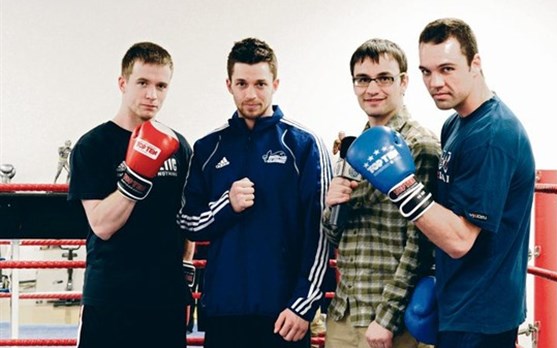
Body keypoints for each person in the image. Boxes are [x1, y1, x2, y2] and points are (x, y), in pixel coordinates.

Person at [346, 19, 535, 348]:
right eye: (426, 71)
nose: (435, 82)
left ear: (475, 64)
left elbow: (460, 239)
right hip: (458, 302)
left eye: (447, 69)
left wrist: (401, 186)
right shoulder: (456, 125)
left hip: (483, 315)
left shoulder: (493, 135)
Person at [176, 37, 332, 348]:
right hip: (224, 312)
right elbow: (187, 220)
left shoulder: (303, 145)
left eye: (260, 84)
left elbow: (321, 231)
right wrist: (226, 206)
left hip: (284, 314)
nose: (251, 94)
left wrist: (303, 303)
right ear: (228, 84)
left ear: (275, 83)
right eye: (242, 83)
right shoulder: (208, 148)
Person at [68, 42, 194, 348]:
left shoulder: (178, 146)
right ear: (123, 83)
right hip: (112, 298)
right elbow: (102, 225)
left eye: (161, 85)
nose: (152, 94)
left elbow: (187, 216)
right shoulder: (93, 146)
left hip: (165, 298)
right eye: (143, 83)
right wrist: (135, 177)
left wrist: (185, 279)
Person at [322, 38, 440, 348]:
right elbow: (335, 236)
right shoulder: (353, 149)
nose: (372, 88)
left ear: (403, 82)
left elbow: (421, 243)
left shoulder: (420, 146)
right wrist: (332, 205)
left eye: (384, 78)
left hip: (391, 319)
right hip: (345, 311)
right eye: (363, 79)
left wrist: (387, 319)